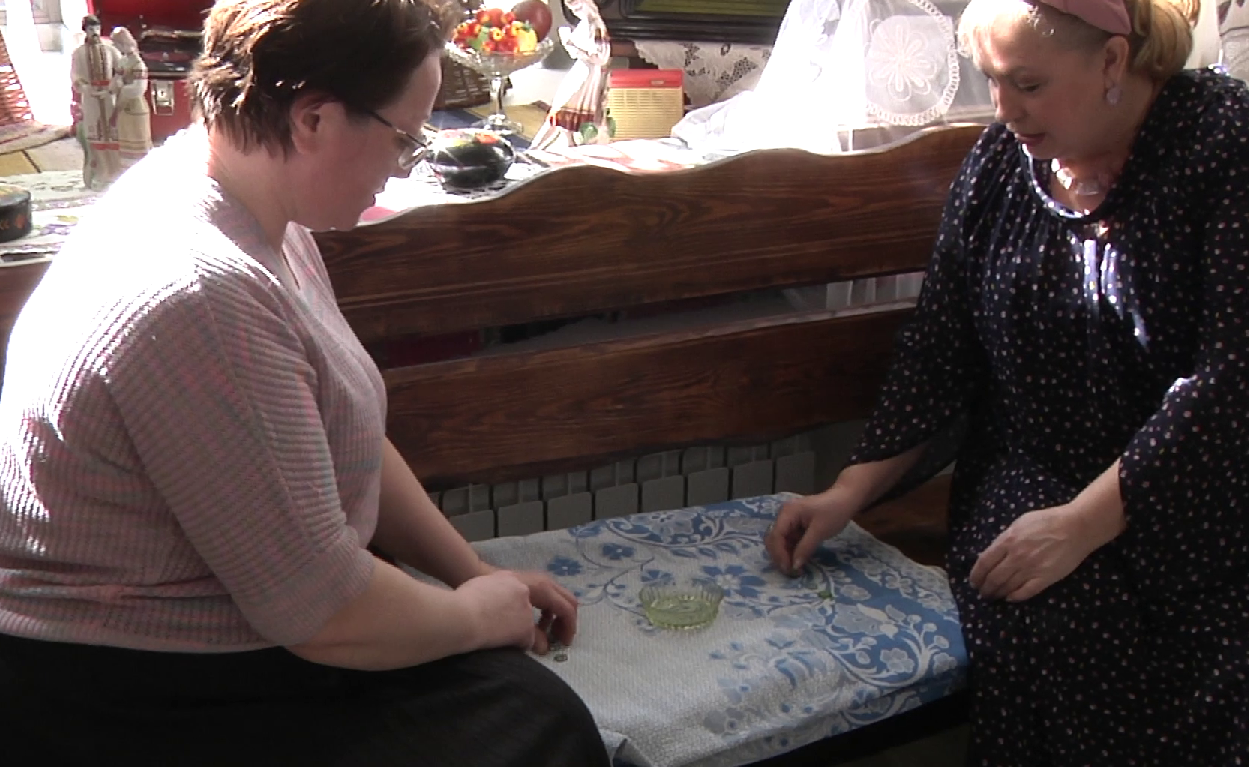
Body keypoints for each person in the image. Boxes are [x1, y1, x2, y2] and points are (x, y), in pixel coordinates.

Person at [0, 1, 610, 765]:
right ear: (313, 119)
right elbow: (323, 614)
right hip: (113, 680)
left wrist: (474, 572)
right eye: (404, 137)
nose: (405, 163)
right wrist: (475, 616)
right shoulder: (202, 289)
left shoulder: (246, 204)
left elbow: (344, 432)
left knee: (522, 697)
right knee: (537, 721)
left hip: (229, 625)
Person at [765, 0, 1248, 764]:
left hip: (1190, 486)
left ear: (1112, 61)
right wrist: (846, 493)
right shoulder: (1000, 162)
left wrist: (1084, 522)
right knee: (1043, 608)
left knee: (1191, 643)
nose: (1003, 109)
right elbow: (940, 348)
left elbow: (1226, 382)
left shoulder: (1221, 146)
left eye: (1027, 83)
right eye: (990, 80)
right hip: (1031, 472)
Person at [69, 14, 122, 189]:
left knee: (113, 131)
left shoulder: (110, 50)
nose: (95, 32)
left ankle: (115, 171)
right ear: (85, 31)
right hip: (91, 98)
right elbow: (75, 75)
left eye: (97, 28)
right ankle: (99, 172)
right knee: (94, 133)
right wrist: (87, 89)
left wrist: (112, 88)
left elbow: (120, 70)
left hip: (108, 96)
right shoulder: (78, 53)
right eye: (91, 29)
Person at [110, 26, 153, 171]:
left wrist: (122, 87)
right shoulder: (123, 61)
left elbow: (138, 88)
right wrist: (114, 86)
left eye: (116, 44)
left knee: (137, 138)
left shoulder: (138, 64)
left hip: (134, 106)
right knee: (125, 139)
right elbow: (116, 79)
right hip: (123, 108)